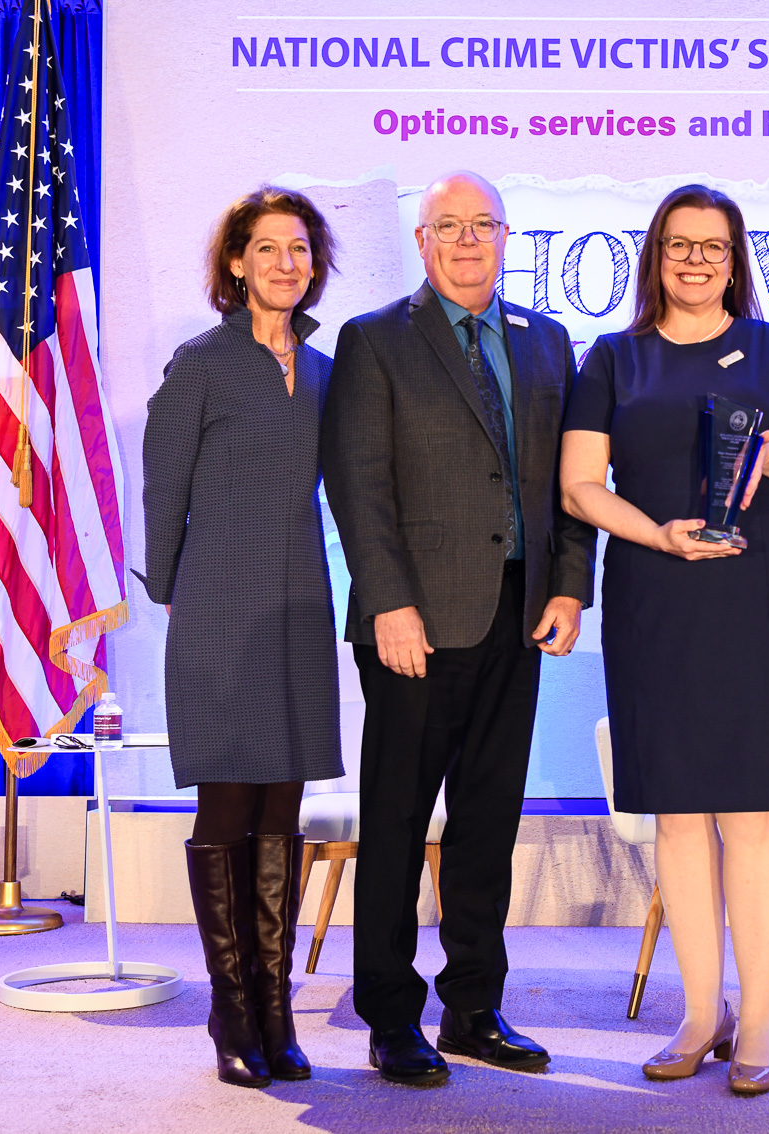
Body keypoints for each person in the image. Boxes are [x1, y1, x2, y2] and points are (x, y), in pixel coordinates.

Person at [559, 184, 769, 1096]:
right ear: (655, 255)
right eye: (679, 246)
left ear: (736, 259)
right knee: (678, 817)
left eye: (713, 248)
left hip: (758, 602)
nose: (695, 261)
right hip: (654, 597)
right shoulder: (613, 357)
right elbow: (578, 486)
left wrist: (768, 458)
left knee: (752, 817)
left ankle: (758, 1020)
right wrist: (659, 533)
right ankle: (699, 1011)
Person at [321, 171, 597, 1087]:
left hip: (520, 618)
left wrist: (568, 587)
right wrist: (389, 601)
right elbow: (359, 486)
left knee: (488, 822)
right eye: (450, 225)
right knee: (397, 822)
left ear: (508, 236)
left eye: (484, 224)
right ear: (423, 241)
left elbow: (570, 487)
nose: (469, 240)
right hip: (413, 624)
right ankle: (391, 1016)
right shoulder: (375, 341)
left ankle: (474, 1008)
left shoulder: (548, 340)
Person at [140, 186, 344, 1088]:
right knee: (226, 809)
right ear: (235, 263)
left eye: (299, 249)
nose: (286, 264)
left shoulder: (329, 371)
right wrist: (173, 589)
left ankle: (275, 1008)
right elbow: (161, 492)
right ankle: (230, 1014)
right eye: (267, 249)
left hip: (300, 602)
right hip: (218, 604)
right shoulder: (201, 363)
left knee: (281, 813)